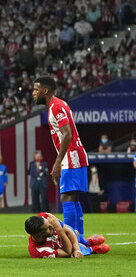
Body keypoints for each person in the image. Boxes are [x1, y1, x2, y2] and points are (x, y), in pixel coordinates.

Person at [33, 75, 89, 237]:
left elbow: (67, 135)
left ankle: (71, 240)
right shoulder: (58, 105)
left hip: (71, 157)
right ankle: (78, 238)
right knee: (74, 197)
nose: (33, 93)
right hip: (74, 156)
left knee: (66, 196)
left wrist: (57, 163)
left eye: (36, 90)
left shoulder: (56, 107)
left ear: (45, 90)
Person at [25, 212, 109, 258]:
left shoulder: (45, 217)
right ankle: (92, 249)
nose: (51, 226)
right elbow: (67, 252)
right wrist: (59, 230)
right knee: (76, 252)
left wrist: (76, 248)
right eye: (48, 228)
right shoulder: (38, 251)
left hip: (68, 237)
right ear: (39, 235)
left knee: (75, 232)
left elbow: (68, 230)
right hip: (65, 246)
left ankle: (86, 241)